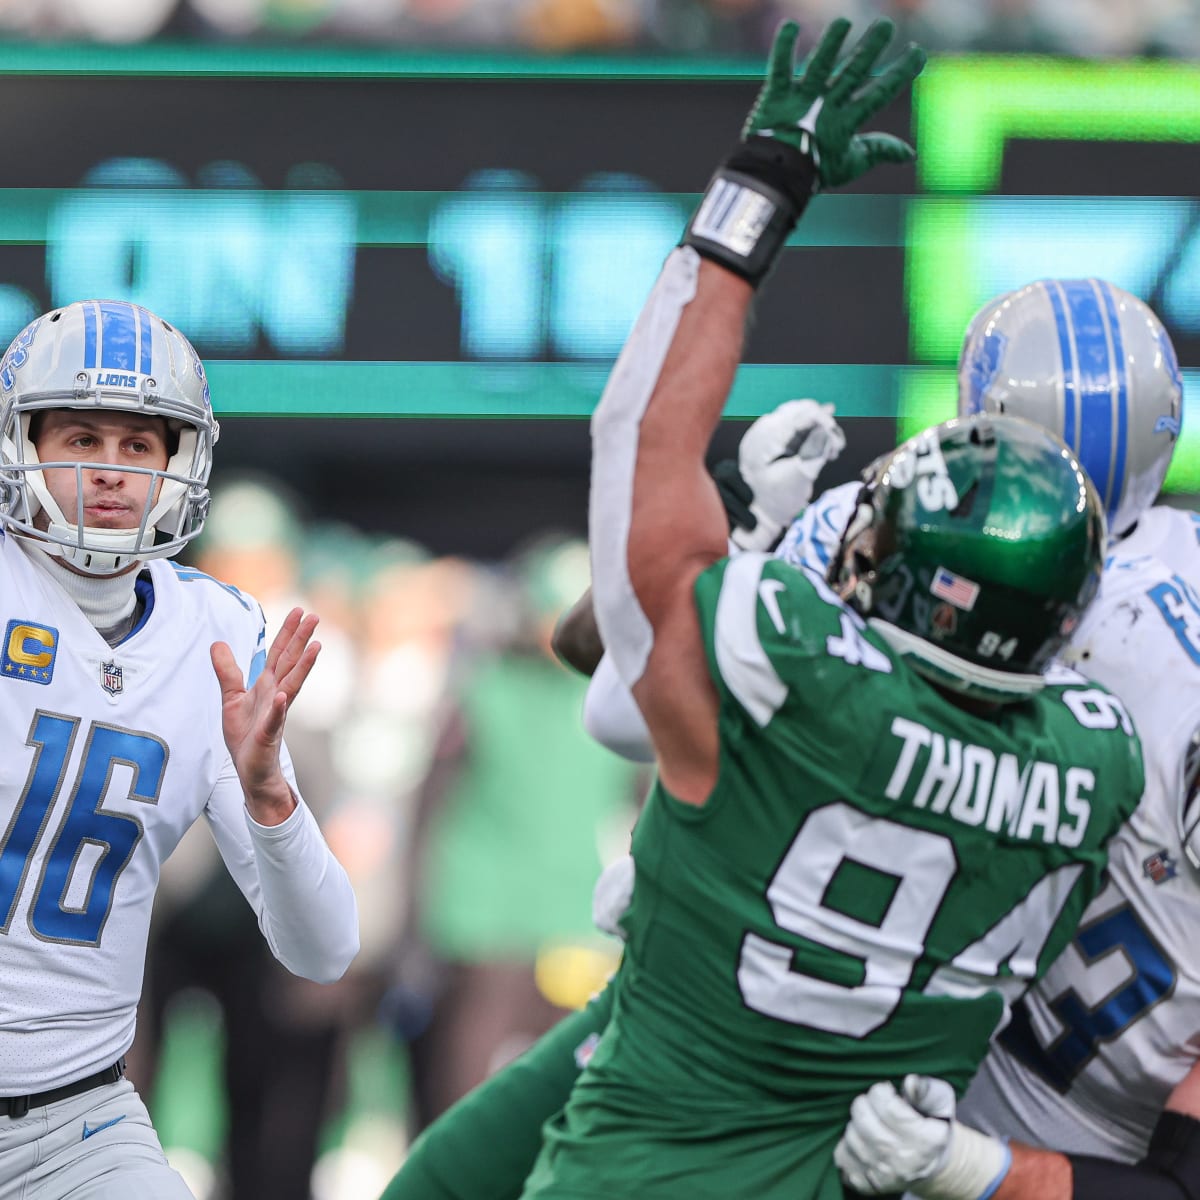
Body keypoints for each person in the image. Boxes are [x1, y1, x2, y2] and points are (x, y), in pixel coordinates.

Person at [393, 16, 1145, 1199]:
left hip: (659, 1121)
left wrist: (756, 195)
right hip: (880, 1141)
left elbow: (638, 459)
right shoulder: (1099, 750)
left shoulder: (785, 662)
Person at [0, 298, 359, 1199]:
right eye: (81, 439)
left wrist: (269, 793)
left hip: (76, 1121)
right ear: (25, 445)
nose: (111, 472)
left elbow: (324, 950)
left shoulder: (216, 631)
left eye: (138, 445)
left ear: (180, 462)